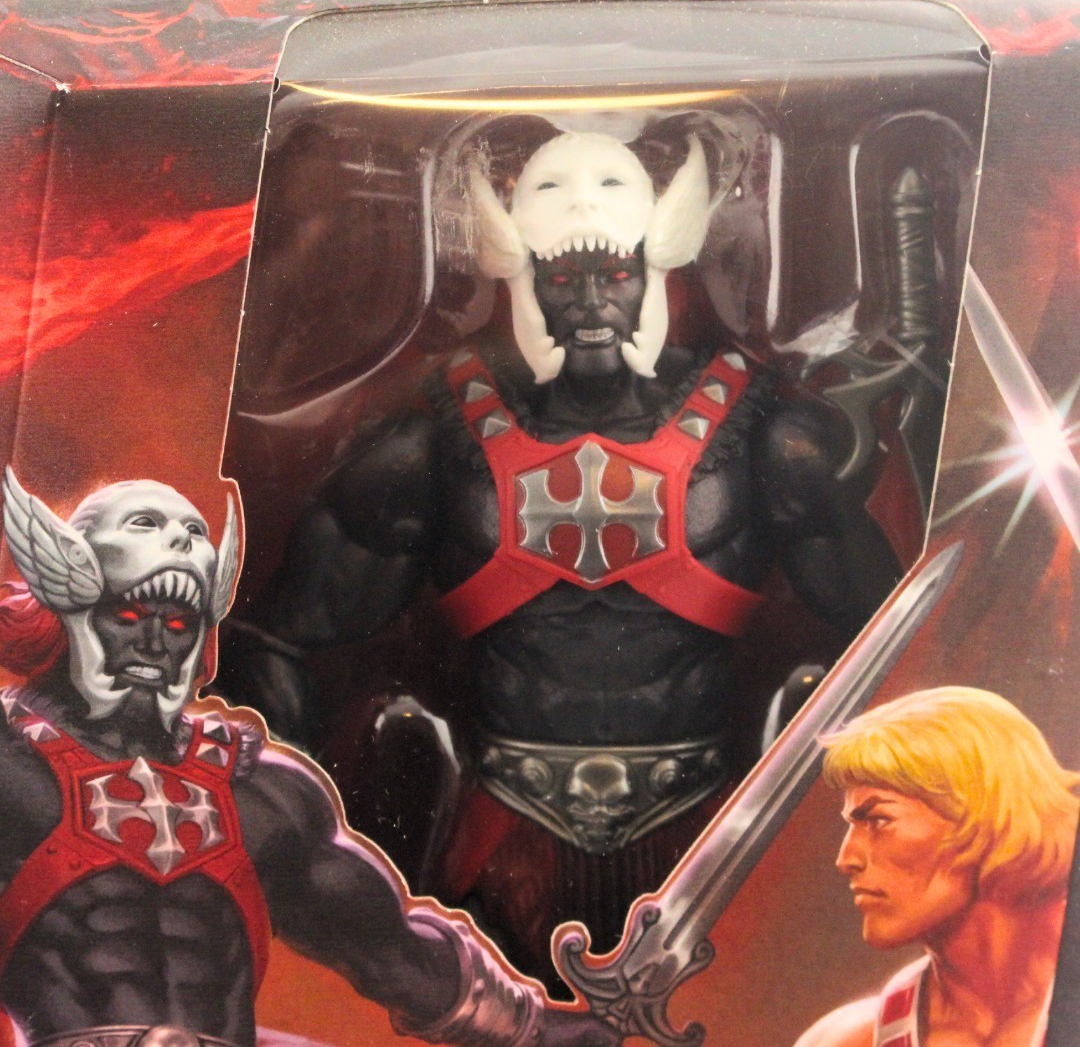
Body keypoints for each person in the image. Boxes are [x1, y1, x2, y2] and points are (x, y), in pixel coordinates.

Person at [225, 128, 901, 979]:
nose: (588, 301)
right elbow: (283, 641)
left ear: (653, 270)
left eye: (612, 276)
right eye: (562, 279)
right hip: (502, 837)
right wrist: (284, 836)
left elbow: (898, 644)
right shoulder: (433, 442)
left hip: (713, 831)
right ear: (527, 280)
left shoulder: (765, 433)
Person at [0, 468, 616, 1047]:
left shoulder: (262, 793)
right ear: (68, 608)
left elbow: (390, 950)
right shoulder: (9, 768)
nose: (155, 644)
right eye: (131, 616)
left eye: (179, 625)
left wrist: (537, 1030)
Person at [795, 686, 1079, 1047]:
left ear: (983, 820)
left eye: (879, 820)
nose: (846, 859)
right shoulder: (848, 1040)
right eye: (853, 825)